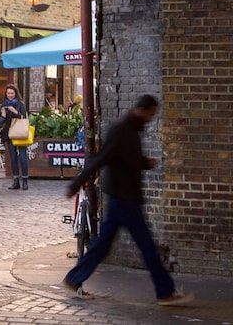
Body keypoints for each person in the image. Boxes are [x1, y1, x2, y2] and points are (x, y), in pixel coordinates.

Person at [62, 94, 194, 306]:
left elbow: (125, 157)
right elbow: (102, 157)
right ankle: (165, 292)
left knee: (103, 245)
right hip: (124, 198)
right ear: (143, 110)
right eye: (151, 114)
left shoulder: (132, 129)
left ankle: (74, 278)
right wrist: (76, 184)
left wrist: (144, 163)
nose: (152, 118)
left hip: (122, 198)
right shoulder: (122, 129)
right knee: (147, 247)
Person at [0, 84, 29, 190]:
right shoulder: (4, 104)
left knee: (22, 157)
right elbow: (2, 121)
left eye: (12, 93)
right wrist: (2, 114)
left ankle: (25, 180)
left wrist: (15, 112)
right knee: (13, 158)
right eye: (8, 93)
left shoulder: (20, 104)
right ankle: (16, 180)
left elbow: (23, 117)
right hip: (9, 134)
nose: (10, 95)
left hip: (20, 133)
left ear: (15, 93)